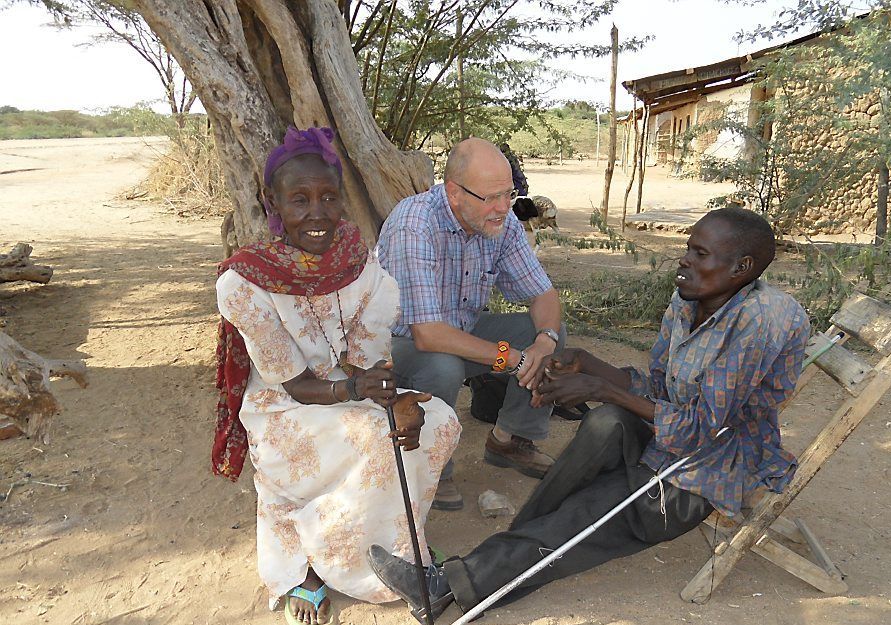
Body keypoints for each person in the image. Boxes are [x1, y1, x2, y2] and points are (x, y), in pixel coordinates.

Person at [367, 207, 811, 623]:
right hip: (666, 444)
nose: (684, 260)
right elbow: (658, 387)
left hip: (704, 469)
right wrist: (586, 363)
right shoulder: (690, 300)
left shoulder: (760, 322)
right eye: (688, 247)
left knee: (588, 512)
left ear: (742, 269)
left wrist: (600, 388)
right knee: (603, 423)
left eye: (700, 254)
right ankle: (511, 556)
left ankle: (453, 586)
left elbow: (701, 431)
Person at [214, 127, 461, 625]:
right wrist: (362, 393)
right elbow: (294, 383)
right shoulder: (245, 281)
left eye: (329, 197)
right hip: (285, 406)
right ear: (273, 203)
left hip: (351, 389)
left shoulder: (358, 263)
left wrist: (396, 398)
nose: (318, 213)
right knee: (375, 435)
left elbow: (369, 361)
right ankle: (315, 563)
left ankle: (390, 545)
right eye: (299, 200)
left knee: (438, 422)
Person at [376, 137, 565, 511]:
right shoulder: (414, 224)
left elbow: (544, 295)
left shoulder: (501, 221)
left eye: (507, 195)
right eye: (491, 198)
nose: (501, 209)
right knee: (441, 365)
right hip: (396, 345)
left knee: (546, 334)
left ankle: (510, 439)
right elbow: (426, 334)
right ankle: (433, 470)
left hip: (460, 334)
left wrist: (544, 342)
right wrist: (511, 358)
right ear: (454, 192)